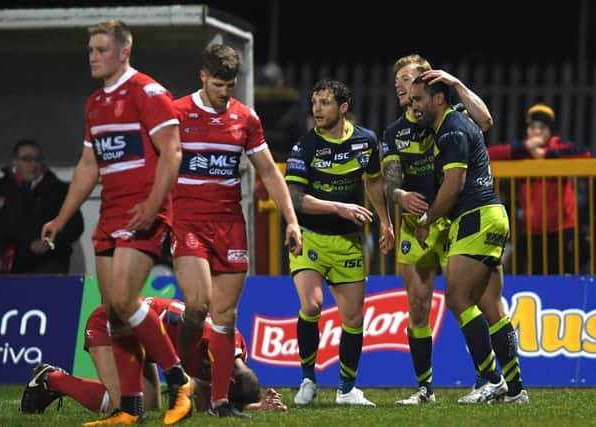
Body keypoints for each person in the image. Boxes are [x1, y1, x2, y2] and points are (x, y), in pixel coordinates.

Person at [39, 20, 192, 425]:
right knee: (113, 313)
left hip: (143, 212)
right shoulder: (95, 103)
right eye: (90, 49)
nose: (93, 55)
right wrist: (61, 216)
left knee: (125, 300)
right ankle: (130, 408)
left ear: (123, 52)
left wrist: (153, 204)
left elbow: (172, 153)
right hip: (110, 215)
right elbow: (89, 164)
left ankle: (179, 380)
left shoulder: (148, 92)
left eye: (101, 49)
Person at [170, 44, 302, 418]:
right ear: (202, 76)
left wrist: (291, 219)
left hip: (230, 226)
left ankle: (219, 402)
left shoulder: (245, 118)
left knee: (226, 317)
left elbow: (269, 172)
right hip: (189, 222)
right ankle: (180, 373)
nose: (224, 91)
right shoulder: (177, 113)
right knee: (197, 304)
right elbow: (162, 166)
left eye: (230, 85)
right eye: (217, 84)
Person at [382, 54, 497, 405]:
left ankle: (492, 380)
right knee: (417, 305)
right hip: (414, 226)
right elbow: (389, 180)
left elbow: (487, 120)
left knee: (477, 302)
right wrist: (399, 194)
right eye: (397, 80)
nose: (400, 85)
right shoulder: (394, 133)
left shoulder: (451, 119)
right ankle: (425, 390)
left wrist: (457, 84)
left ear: (427, 84)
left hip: (455, 220)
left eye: (407, 78)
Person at [409, 75, 528, 404]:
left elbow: (454, 185)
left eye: (418, 99)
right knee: (490, 305)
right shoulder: (460, 118)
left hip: (475, 216)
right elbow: (487, 119)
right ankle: (516, 390)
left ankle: (491, 379)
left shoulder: (450, 129)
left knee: (458, 298)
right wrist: (457, 85)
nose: (413, 105)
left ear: (438, 99)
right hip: (493, 214)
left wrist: (426, 219)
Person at [285, 79, 394, 407]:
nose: (317, 109)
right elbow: (296, 199)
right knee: (312, 305)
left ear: (343, 108)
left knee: (354, 319)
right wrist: (338, 207)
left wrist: (387, 223)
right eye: (314, 102)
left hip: (348, 242)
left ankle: (346, 389)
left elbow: (374, 183)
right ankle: (307, 379)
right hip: (310, 238)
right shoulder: (304, 147)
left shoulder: (366, 141)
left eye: (325, 103)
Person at [19, 298, 287, 418]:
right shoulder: (203, 344)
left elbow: (211, 403)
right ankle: (51, 379)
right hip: (112, 326)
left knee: (147, 406)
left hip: (144, 340)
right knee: (123, 405)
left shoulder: (234, 348)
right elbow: (207, 404)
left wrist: (256, 406)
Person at [487, 103, 591, 274]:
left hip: (561, 229)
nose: (536, 132)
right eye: (532, 127)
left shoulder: (557, 145)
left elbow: (584, 154)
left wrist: (547, 155)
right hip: (530, 231)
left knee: (562, 273)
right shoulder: (521, 151)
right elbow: (488, 154)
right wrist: (524, 147)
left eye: (542, 128)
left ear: (550, 132)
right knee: (535, 274)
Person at [0, 139, 84, 274]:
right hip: (7, 265)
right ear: (15, 162)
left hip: (47, 263)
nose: (33, 164)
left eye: (37, 159)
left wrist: (48, 242)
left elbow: (75, 226)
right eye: (27, 159)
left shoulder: (58, 190)